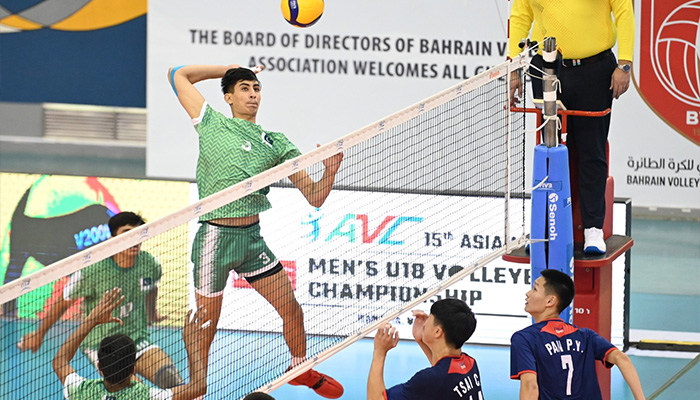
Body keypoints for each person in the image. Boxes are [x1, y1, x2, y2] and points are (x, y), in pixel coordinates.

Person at [168, 63, 344, 398]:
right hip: (214, 240)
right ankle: (197, 387)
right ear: (229, 97)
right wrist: (231, 68)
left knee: (291, 307)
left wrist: (330, 171)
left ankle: (299, 367)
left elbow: (315, 197)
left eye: (257, 88)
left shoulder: (275, 143)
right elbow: (178, 75)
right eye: (245, 88)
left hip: (251, 239)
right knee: (205, 324)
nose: (253, 94)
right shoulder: (211, 122)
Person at [508, 0, 635, 254]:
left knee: (592, 152)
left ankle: (593, 230)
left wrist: (625, 63)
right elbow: (521, 16)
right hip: (546, 70)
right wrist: (513, 67)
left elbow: (624, 13)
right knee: (548, 152)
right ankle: (544, 228)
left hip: (594, 70)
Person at [19, 212, 183, 389]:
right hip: (103, 345)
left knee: (171, 380)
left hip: (137, 339)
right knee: (134, 393)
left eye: (139, 232)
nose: (135, 238)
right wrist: (39, 334)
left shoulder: (149, 264)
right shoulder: (92, 269)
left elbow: (151, 287)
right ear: (113, 239)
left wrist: (152, 313)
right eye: (127, 232)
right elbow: (63, 301)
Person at [53, 287, 210, 399]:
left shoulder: (82, 391)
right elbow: (198, 387)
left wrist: (91, 320)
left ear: (99, 367)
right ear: (134, 370)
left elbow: (59, 361)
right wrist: (191, 345)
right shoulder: (146, 396)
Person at [510, 269, 645, 399]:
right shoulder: (586, 336)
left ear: (550, 301)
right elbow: (623, 359)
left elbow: (530, 385)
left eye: (535, 289)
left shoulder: (524, 338)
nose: (528, 293)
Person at [368, 299, 484, 400]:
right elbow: (442, 374)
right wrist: (421, 339)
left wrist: (379, 352)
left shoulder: (430, 379)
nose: (425, 323)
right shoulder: (470, 364)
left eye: (430, 318)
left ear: (437, 332)